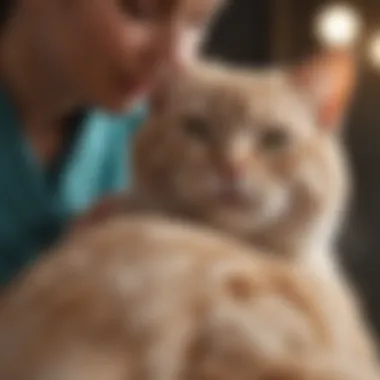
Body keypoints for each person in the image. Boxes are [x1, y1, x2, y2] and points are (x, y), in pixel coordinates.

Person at [0, 0, 224, 285]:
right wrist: (62, 277)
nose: (178, 60)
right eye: (140, 12)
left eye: (198, 22)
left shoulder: (157, 137)